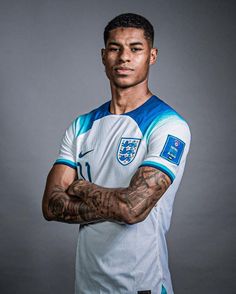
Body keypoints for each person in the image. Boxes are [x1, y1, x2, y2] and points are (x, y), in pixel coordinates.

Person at [42, 13, 191, 294]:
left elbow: (132, 208)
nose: (124, 57)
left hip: (141, 285)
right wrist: (117, 202)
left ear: (152, 55)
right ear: (103, 56)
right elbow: (50, 205)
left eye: (135, 49)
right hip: (87, 286)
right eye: (115, 48)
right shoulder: (82, 125)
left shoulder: (169, 124)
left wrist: (80, 187)